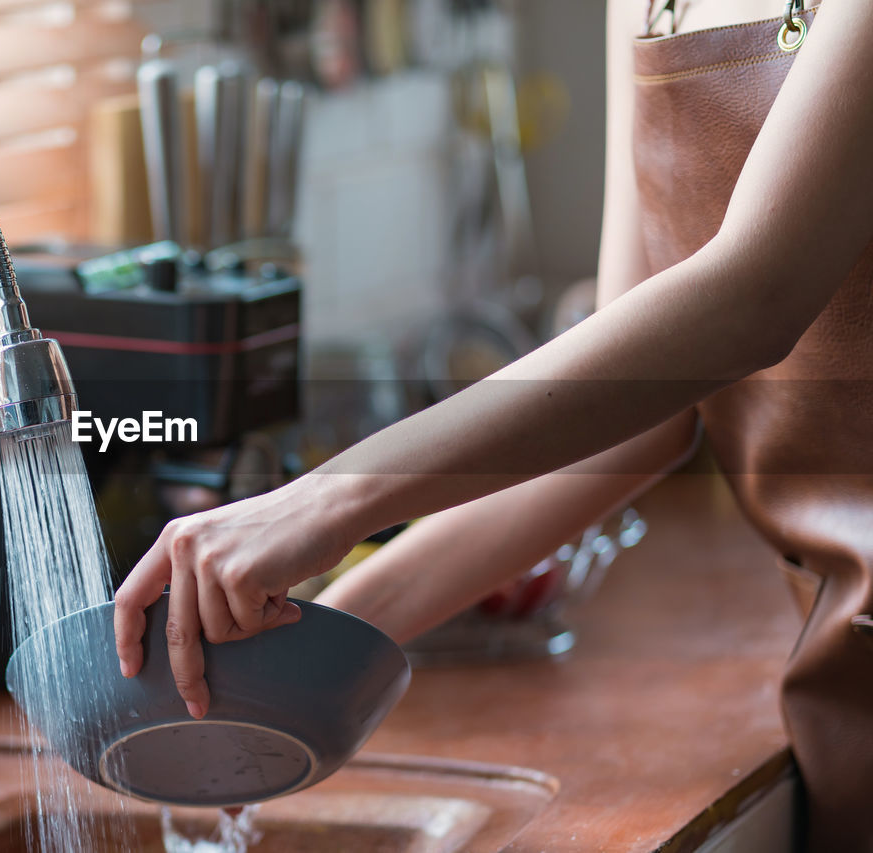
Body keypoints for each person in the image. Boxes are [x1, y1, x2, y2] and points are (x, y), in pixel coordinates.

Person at [114, 1, 873, 848]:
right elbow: (633, 422)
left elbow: (754, 298)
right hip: (848, 669)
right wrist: (319, 651)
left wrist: (321, 503)